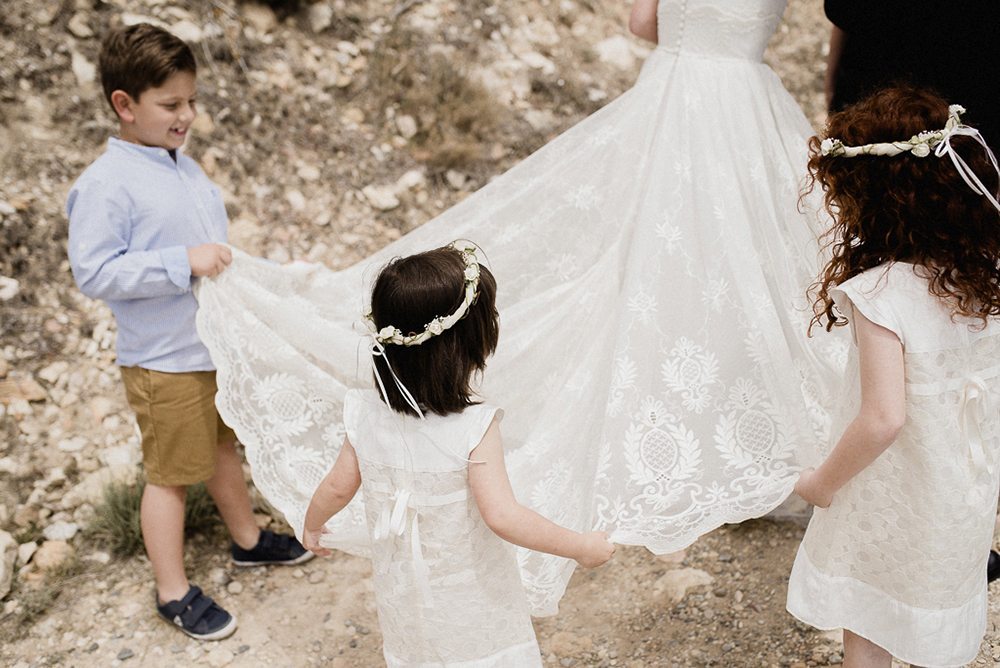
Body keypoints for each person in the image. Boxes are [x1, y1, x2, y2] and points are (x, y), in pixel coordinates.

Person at [195, 0, 846, 614]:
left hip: (670, 101)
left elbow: (642, 22)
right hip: (747, 114)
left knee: (635, 270)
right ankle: (748, 431)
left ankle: (672, 431)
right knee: (753, 270)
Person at [66, 23, 312, 641]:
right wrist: (183, 262)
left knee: (222, 447)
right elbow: (94, 272)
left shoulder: (184, 165)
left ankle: (247, 541)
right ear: (125, 105)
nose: (188, 115)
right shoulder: (106, 183)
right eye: (171, 104)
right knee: (171, 473)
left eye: (192, 101)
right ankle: (172, 591)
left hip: (209, 345)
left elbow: (209, 248)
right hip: (162, 360)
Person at [300, 243, 615, 666]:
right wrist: (580, 546)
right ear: (468, 345)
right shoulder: (474, 427)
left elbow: (338, 487)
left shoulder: (365, 413)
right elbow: (502, 516)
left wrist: (312, 525)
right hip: (470, 603)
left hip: (406, 598)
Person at [786, 87, 1000, 667]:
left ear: (876, 203)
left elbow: (883, 418)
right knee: (931, 610)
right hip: (960, 486)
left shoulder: (881, 294)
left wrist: (822, 482)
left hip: (893, 490)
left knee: (869, 615)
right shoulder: (984, 277)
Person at [823, 0, 999, 146]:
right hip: (877, 94)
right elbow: (843, 15)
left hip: (961, 94)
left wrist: (832, 79)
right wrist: (832, 79)